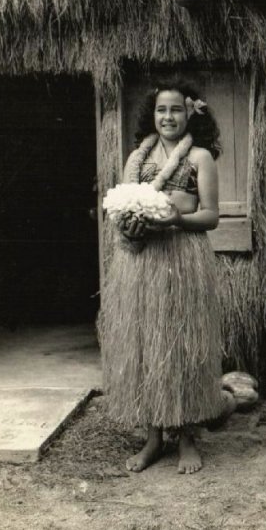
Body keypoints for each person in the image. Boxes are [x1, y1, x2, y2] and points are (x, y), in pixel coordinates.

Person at [98, 79, 224, 474]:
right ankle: (153, 438)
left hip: (183, 255)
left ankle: (186, 437)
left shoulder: (200, 157)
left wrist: (178, 220)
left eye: (175, 110)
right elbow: (121, 209)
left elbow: (211, 216)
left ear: (190, 113)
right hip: (142, 263)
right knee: (145, 345)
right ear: (152, 116)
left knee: (182, 342)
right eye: (160, 110)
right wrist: (128, 226)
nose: (168, 117)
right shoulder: (137, 159)